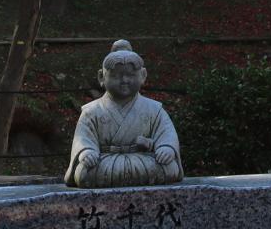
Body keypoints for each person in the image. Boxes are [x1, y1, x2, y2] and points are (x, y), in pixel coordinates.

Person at [65, 39, 183, 187]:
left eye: (131, 75)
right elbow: (82, 138)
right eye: (115, 76)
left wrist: (166, 147)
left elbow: (166, 133)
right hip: (105, 162)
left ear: (143, 76)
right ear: (101, 77)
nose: (124, 80)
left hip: (143, 159)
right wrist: (87, 152)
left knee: (168, 167)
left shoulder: (154, 109)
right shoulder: (92, 111)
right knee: (84, 173)